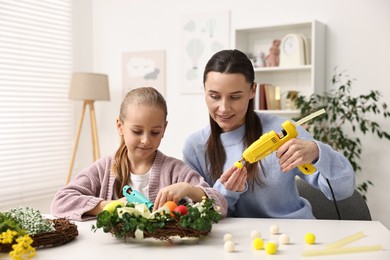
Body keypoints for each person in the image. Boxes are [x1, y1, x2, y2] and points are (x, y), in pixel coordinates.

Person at [182, 49, 355, 218]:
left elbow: (343, 189)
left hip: (295, 235)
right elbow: (199, 217)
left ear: (252, 91)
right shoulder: (195, 147)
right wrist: (227, 191)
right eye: (214, 96)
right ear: (204, 91)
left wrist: (318, 153)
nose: (224, 108)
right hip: (237, 241)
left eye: (235, 97)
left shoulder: (283, 132)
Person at [51, 87, 227, 221]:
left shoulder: (175, 171)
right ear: (120, 126)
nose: (146, 140)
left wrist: (189, 189)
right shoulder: (104, 169)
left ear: (164, 129)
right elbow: (60, 202)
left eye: (155, 132)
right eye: (137, 131)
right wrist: (106, 206)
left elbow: (221, 205)